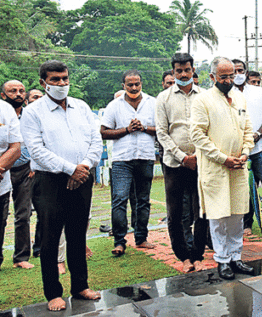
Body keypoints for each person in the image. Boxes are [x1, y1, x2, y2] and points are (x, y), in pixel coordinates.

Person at [21, 60, 102, 311]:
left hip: (83, 177)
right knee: (50, 237)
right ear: (43, 83)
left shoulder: (81, 106)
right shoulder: (34, 112)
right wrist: (71, 169)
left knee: (77, 233)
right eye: (55, 80)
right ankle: (53, 292)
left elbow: (96, 141)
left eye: (65, 78)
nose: (61, 84)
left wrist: (85, 166)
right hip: (50, 180)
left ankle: (80, 286)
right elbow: (36, 149)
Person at [190, 57, 255, 280]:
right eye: (223, 76)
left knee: (237, 215)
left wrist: (245, 152)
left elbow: (248, 129)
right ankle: (222, 260)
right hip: (216, 168)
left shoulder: (239, 98)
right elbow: (197, 135)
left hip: (238, 167)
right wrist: (222, 158)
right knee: (218, 216)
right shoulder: (202, 100)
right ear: (212, 77)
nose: (228, 80)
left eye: (231, 76)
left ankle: (236, 257)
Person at [156, 52, 210, 273]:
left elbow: (209, 128)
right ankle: (183, 256)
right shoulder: (164, 98)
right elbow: (161, 133)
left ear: (193, 69)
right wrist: (183, 158)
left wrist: (198, 156)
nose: (184, 74)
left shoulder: (205, 96)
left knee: (202, 210)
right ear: (173, 72)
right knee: (176, 212)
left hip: (201, 162)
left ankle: (197, 254)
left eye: (187, 70)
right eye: (179, 70)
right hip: (174, 164)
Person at [101, 70, 157, 256]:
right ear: (123, 85)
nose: (134, 87)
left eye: (137, 84)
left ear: (142, 83)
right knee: (119, 199)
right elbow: (103, 132)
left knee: (143, 201)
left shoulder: (152, 103)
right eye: (130, 84)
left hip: (145, 157)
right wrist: (126, 129)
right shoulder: (114, 106)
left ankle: (141, 238)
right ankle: (119, 241)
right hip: (122, 160)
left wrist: (144, 128)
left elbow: (162, 129)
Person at [231, 59, 262, 234]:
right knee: (243, 189)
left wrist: (258, 134)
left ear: (245, 71)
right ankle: (246, 224)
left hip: (260, 148)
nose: (238, 74)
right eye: (234, 71)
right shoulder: (227, 93)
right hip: (238, 149)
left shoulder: (259, 92)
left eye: (240, 70)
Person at [0, 81, 28, 269]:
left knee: (22, 214)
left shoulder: (9, 111)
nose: (18, 94)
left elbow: (17, 147)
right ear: (4, 94)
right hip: (6, 171)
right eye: (13, 91)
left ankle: (21, 257)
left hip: (17, 171)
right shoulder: (7, 109)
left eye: (21, 91)